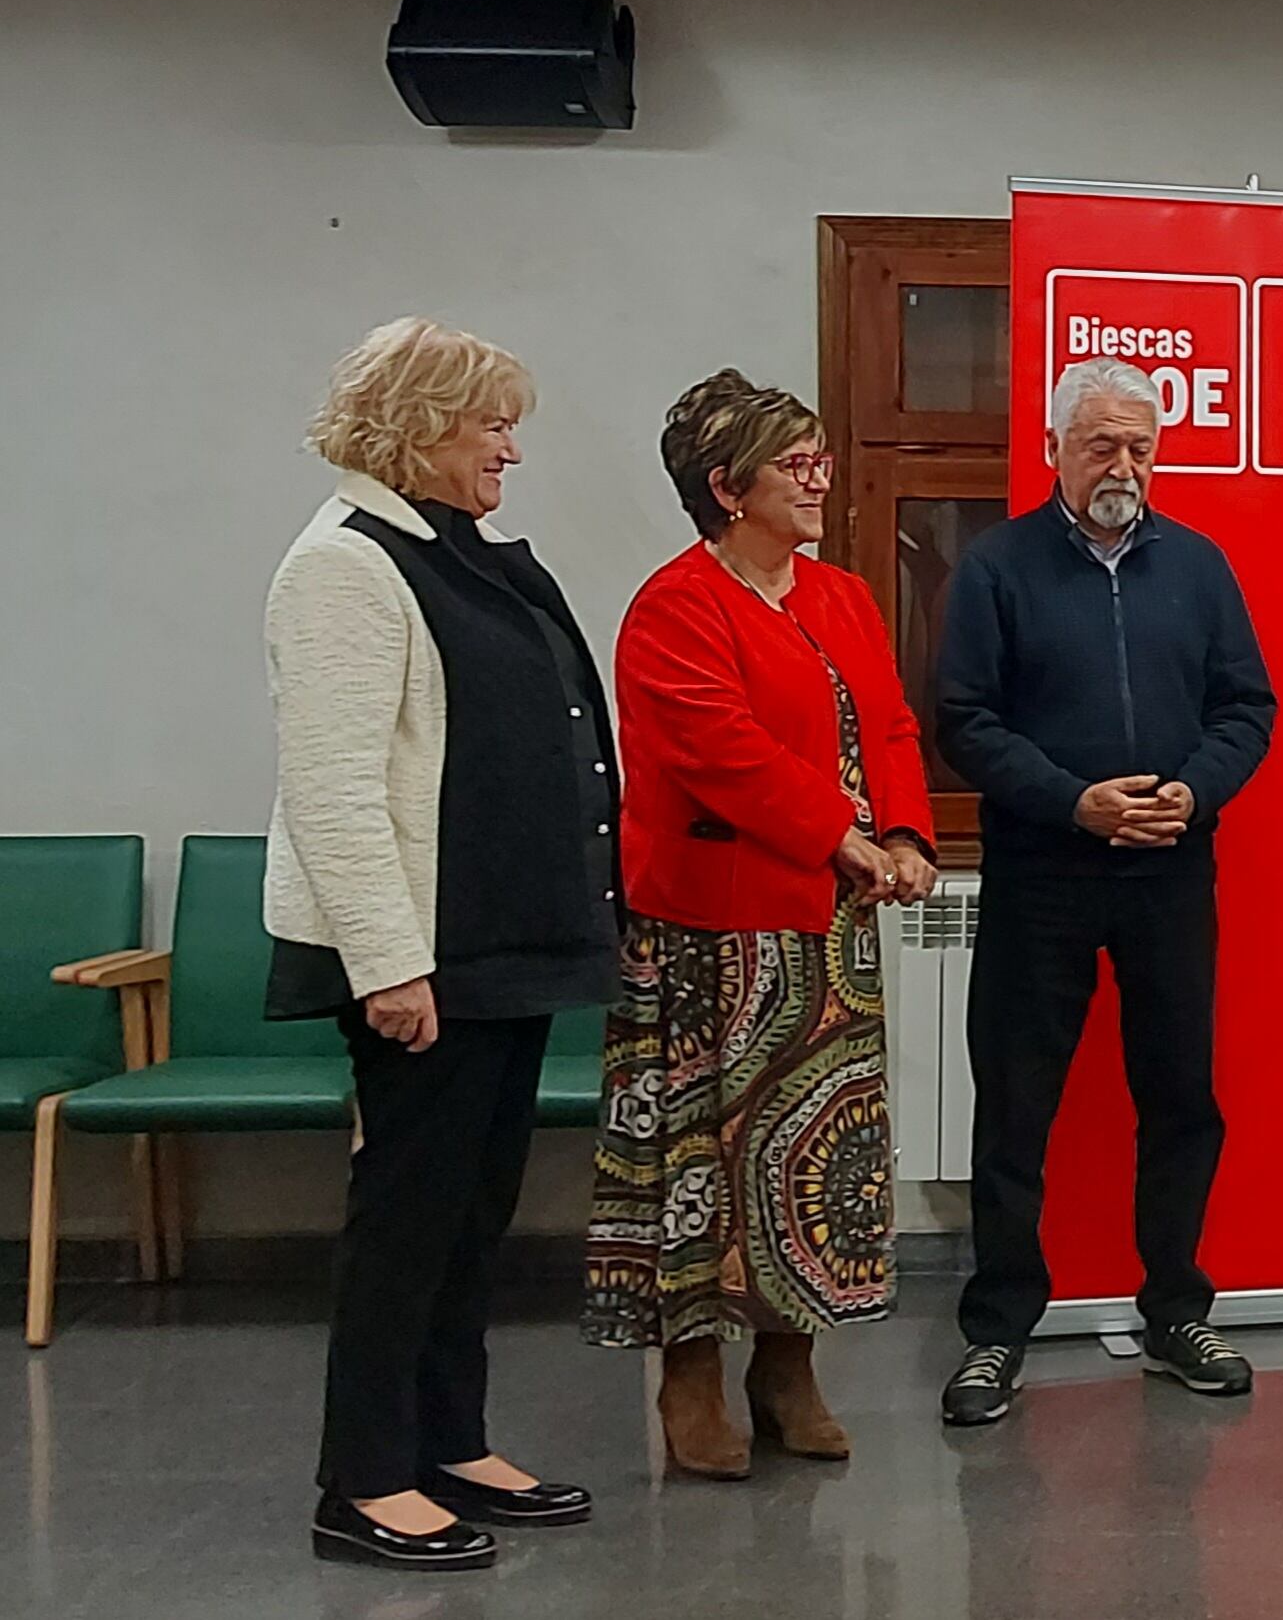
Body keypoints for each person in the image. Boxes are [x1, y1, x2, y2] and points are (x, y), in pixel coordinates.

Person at [265, 318, 618, 1572]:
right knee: (407, 1219)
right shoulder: (345, 564)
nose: (510, 448)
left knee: (474, 1214)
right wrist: (386, 966)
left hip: (505, 944)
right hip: (423, 958)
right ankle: (361, 1479)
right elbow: (336, 788)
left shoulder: (459, 553)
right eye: (491, 424)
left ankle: (449, 1441)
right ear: (416, 426)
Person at [587, 371, 939, 1478]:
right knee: (699, 1160)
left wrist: (910, 838)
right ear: (727, 488)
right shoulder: (673, 606)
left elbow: (885, 720)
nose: (819, 479)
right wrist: (845, 838)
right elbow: (721, 752)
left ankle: (788, 1365)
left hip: (827, 933)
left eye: (821, 457)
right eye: (796, 463)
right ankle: (687, 1380)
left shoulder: (839, 595)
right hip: (711, 936)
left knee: (808, 1159)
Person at [933, 356, 1276, 1426]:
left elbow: (1247, 710)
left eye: (1139, 446)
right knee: (1017, 1107)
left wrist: (1192, 790)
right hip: (1044, 872)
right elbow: (966, 722)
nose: (1123, 465)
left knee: (1180, 1098)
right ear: (1054, 453)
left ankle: (1176, 1310)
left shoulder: (1201, 567)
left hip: (1172, 870)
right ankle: (996, 1333)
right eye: (1100, 446)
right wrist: (1076, 801)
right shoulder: (996, 568)